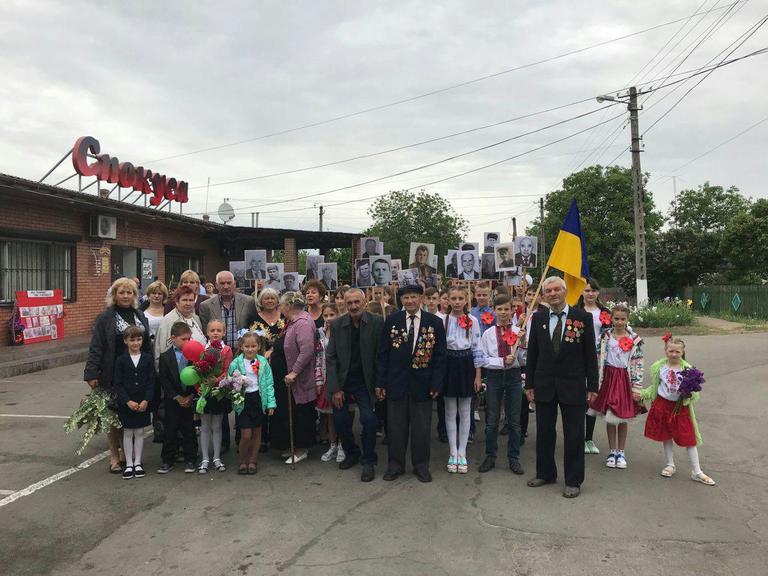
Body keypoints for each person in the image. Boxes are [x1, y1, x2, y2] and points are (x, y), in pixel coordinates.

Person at [524, 276, 599, 498]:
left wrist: (592, 386)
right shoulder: (538, 319)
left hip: (573, 385)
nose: (553, 293)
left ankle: (573, 480)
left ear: (565, 292)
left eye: (557, 289)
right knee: (545, 432)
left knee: (574, 434)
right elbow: (533, 354)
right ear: (544, 295)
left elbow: (590, 356)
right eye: (548, 291)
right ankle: (545, 473)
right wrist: (529, 384)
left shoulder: (581, 317)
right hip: (544, 383)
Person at [376, 284, 447, 483]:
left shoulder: (434, 323)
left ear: (421, 298)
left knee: (421, 428)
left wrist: (436, 383)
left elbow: (440, 357)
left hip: (423, 384)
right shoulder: (391, 321)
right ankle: (395, 465)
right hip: (396, 383)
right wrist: (380, 382)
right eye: (406, 298)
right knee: (396, 427)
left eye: (413, 297)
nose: (410, 301)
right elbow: (383, 355)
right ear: (401, 300)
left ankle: (421, 465)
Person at [84, 277, 152, 473]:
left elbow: (146, 344)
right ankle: (115, 456)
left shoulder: (140, 315)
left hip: (137, 372)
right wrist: (92, 373)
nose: (125, 296)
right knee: (113, 417)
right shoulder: (105, 317)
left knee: (130, 414)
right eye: (121, 292)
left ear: (134, 295)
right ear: (114, 295)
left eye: (129, 292)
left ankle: (126, 454)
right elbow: (96, 346)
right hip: (112, 373)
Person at [634, 336, 716, 485]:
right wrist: (643, 394)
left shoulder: (688, 370)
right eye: (671, 350)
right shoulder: (659, 367)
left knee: (689, 438)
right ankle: (670, 464)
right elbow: (655, 387)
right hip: (662, 405)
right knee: (666, 435)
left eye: (677, 351)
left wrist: (689, 394)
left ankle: (697, 471)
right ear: (665, 351)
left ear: (682, 352)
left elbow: (695, 394)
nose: (674, 354)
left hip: (680, 409)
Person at [326, 289, 384, 482]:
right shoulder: (336, 325)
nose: (353, 306)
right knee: (341, 421)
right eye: (349, 303)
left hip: (366, 382)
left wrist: (379, 383)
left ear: (365, 302)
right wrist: (335, 388)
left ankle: (368, 460)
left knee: (369, 420)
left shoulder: (376, 322)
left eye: (356, 302)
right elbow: (331, 357)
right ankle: (352, 452)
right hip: (343, 381)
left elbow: (381, 355)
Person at [587, 304, 644, 469]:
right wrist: (594, 382)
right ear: (611, 318)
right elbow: (596, 357)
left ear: (628, 319)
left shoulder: (635, 339)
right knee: (610, 416)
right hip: (608, 379)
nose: (619, 322)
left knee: (623, 417)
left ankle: (622, 451)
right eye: (616, 318)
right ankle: (612, 451)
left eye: (623, 319)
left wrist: (637, 387)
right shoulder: (605, 336)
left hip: (624, 380)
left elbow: (638, 363)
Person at [479, 295, 525, 475]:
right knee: (491, 420)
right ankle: (490, 456)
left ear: (512, 310)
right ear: (494, 311)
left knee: (514, 420)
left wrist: (522, 344)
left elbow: (522, 360)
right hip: (494, 376)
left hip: (513, 376)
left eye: (507, 309)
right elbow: (483, 359)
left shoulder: (518, 331)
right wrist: (501, 361)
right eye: (500, 309)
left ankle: (514, 457)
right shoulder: (488, 334)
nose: (504, 313)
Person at [442, 286, 484, 474]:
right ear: (448, 300)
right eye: (453, 298)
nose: (457, 302)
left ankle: (462, 451)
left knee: (465, 410)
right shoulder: (442, 320)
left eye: (460, 298)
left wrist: (478, 375)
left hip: (466, 364)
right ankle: (452, 451)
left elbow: (477, 348)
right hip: (448, 364)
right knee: (450, 410)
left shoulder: (472, 320)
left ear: (466, 300)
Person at [229, 331, 276, 474]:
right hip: (244, 400)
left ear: (259, 346)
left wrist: (270, 403)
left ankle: (253, 461)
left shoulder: (263, 362)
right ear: (241, 347)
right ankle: (243, 460)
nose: (250, 349)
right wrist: (236, 387)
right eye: (247, 346)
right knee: (246, 435)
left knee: (257, 433)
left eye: (253, 346)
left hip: (258, 399)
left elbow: (268, 384)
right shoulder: (236, 362)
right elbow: (229, 381)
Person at [112, 325, 155, 480]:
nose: (136, 343)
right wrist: (127, 401)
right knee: (128, 432)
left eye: (139, 339)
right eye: (132, 340)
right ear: (125, 341)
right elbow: (118, 383)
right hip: (127, 403)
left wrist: (146, 400)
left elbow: (151, 382)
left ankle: (138, 462)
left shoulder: (148, 358)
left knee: (139, 432)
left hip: (142, 401)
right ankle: (129, 463)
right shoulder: (121, 360)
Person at [576, 277, 612, 455]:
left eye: (593, 290)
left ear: (598, 292)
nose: (590, 294)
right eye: (587, 290)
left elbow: (612, 335)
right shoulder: (575, 311)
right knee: (579, 400)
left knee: (593, 398)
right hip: (579, 360)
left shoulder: (605, 312)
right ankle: (578, 437)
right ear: (581, 292)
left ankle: (589, 438)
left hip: (599, 360)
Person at [281, 291, 318, 464]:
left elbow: (307, 350)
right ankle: (295, 445)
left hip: (301, 378)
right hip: (295, 378)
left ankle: (303, 448)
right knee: (297, 413)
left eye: (282, 305)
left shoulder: (302, 323)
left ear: (288, 306)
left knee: (303, 414)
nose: (280, 309)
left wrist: (294, 372)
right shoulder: (294, 321)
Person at [157, 322, 198, 474]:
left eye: (189, 339)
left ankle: (191, 458)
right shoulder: (165, 356)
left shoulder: (193, 355)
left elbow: (197, 377)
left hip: (188, 397)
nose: (187, 342)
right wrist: (177, 397)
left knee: (189, 429)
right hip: (173, 399)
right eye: (184, 339)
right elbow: (164, 379)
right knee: (170, 429)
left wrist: (190, 396)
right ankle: (167, 459)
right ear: (173, 338)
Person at [197, 320, 234, 473]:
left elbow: (227, 370)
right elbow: (195, 370)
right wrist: (199, 387)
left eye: (219, 330)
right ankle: (205, 458)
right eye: (212, 330)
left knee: (217, 426)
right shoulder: (202, 349)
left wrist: (217, 380)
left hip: (219, 392)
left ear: (224, 333)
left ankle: (217, 457)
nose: (215, 333)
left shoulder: (227, 350)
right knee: (204, 426)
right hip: (205, 391)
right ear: (207, 332)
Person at [199, 271, 258, 349]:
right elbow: (206, 333)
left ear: (234, 284)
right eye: (222, 283)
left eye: (229, 283)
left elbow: (253, 327)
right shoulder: (206, 306)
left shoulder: (248, 302)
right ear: (216, 285)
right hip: (218, 354)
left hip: (242, 353)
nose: (226, 286)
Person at [315, 304, 344, 464]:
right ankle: (333, 444)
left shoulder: (343, 331)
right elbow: (318, 357)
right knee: (330, 415)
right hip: (326, 378)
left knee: (343, 413)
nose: (328, 319)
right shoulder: (320, 333)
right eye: (325, 316)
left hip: (341, 378)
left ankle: (342, 444)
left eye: (332, 315)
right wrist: (318, 380)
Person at [154, 285, 207, 366]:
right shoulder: (168, 321)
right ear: (177, 302)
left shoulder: (196, 318)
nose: (188, 303)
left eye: (191, 300)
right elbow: (161, 351)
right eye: (184, 300)